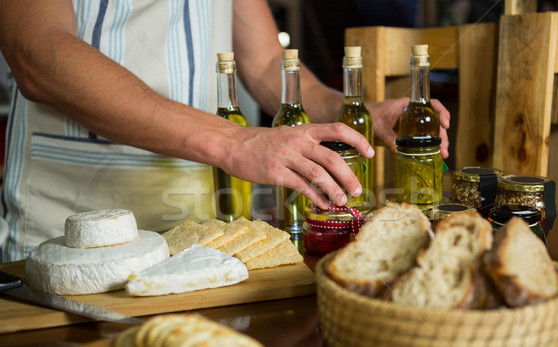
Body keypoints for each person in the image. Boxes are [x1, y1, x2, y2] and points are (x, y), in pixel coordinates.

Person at [0, 0, 450, 261]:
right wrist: (236, 141)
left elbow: (263, 63)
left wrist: (360, 113)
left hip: (206, 233)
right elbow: (37, 52)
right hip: (74, 222)